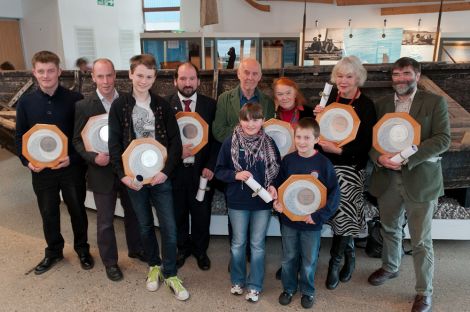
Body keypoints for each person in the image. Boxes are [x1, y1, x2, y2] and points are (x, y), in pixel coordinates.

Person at [367, 57, 450, 312]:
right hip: (387, 179)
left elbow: (442, 139)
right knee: (390, 228)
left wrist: (406, 157)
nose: (400, 79)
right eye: (396, 74)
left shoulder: (434, 102)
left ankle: (424, 292)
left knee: (421, 240)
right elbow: (371, 142)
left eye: (406, 73)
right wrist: (378, 157)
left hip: (420, 179)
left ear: (417, 74)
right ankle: (391, 266)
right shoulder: (381, 104)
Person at [108, 54, 188, 301]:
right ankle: (154, 265)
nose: (144, 80)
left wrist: (166, 172)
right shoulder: (119, 106)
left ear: (155, 78)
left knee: (169, 227)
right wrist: (122, 176)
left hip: (160, 178)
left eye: (149, 76)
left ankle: (171, 272)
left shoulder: (162, 106)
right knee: (144, 225)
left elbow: (176, 143)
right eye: (139, 75)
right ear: (131, 74)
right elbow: (114, 144)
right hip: (134, 179)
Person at [15, 50, 93, 275]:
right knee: (48, 212)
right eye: (41, 71)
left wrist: (74, 158)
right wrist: (27, 161)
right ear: (34, 73)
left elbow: (83, 137)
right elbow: (20, 137)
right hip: (40, 170)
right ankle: (54, 252)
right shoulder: (26, 103)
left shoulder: (75, 100)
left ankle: (82, 249)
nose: (46, 75)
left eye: (51, 70)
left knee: (77, 210)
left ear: (59, 71)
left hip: (70, 168)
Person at [72, 58, 145, 282]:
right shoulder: (84, 106)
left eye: (109, 75)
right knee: (105, 221)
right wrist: (93, 157)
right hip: (101, 171)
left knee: (133, 214)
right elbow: (76, 140)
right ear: (93, 77)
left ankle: (136, 249)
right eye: (100, 76)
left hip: (126, 168)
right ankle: (110, 262)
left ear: (116, 75)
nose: (105, 81)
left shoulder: (127, 101)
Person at [313, 55, 377, 290]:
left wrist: (338, 150)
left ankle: (335, 263)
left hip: (350, 167)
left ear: (358, 78)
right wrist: (317, 114)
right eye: (339, 76)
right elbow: (316, 130)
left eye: (349, 76)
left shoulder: (366, 105)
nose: (343, 80)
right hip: (325, 164)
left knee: (343, 216)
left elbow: (365, 144)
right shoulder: (328, 97)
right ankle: (349, 255)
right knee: (330, 213)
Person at [215, 102, 280, 303]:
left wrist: (274, 185)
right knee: (238, 243)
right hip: (237, 202)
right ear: (240, 120)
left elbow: (277, 169)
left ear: (262, 120)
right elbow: (219, 171)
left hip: (262, 203)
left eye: (255, 119)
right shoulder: (230, 142)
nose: (251, 124)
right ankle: (237, 280)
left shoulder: (269, 142)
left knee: (258, 245)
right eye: (246, 119)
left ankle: (255, 286)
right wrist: (235, 174)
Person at [273, 117, 340, 309]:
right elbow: (278, 186)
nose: (302, 142)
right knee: (288, 257)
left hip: (312, 222)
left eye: (307, 138)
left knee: (309, 260)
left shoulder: (324, 164)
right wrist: (277, 203)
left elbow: (334, 194)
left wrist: (319, 216)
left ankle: (308, 291)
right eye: (299, 137)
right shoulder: (288, 160)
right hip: (289, 221)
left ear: (316, 140)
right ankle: (288, 288)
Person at [165, 62, 219, 271]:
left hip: (202, 172)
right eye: (183, 79)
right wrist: (176, 156)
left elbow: (217, 140)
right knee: (178, 213)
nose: (187, 83)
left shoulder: (210, 105)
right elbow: (161, 140)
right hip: (176, 172)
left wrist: (211, 165)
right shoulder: (165, 105)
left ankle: (200, 250)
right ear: (175, 81)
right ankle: (182, 248)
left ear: (198, 81)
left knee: (201, 214)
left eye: (191, 79)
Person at [213, 58, 275, 143]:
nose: (250, 77)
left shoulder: (269, 102)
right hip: (232, 152)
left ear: (259, 77)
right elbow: (219, 131)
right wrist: (247, 135)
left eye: (255, 74)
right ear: (238, 74)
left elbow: (269, 132)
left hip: (259, 153)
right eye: (246, 73)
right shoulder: (224, 99)